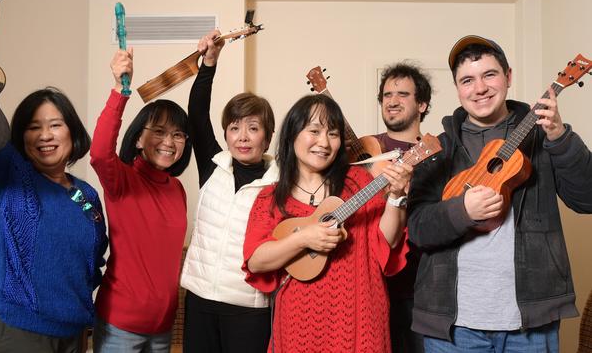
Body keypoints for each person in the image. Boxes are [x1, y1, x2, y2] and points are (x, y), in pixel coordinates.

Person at [0, 0, 108, 352]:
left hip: (74, 333)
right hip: (17, 333)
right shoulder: (6, 171)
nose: (46, 135)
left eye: (55, 124)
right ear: (19, 135)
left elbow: (94, 258)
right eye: (34, 127)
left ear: (72, 131)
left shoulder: (86, 194)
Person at [407, 35, 592, 351]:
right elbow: (418, 229)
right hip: (452, 327)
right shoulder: (438, 148)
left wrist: (560, 138)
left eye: (489, 75)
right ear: (458, 89)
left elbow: (586, 199)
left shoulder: (543, 136)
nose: (479, 88)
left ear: (508, 77)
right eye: (467, 80)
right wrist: (462, 211)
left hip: (531, 323)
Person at [243, 94, 412, 352]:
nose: (324, 142)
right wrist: (303, 238)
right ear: (292, 135)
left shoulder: (359, 182)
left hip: (361, 320)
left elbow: (386, 241)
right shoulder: (270, 198)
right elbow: (256, 260)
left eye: (333, 134)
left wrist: (398, 196)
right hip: (297, 326)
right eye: (314, 131)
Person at [179, 30, 277, 353]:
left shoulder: (281, 181)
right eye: (234, 128)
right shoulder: (213, 166)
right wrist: (209, 63)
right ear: (225, 133)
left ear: (267, 135)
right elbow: (196, 115)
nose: (242, 137)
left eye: (253, 127)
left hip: (249, 308)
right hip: (200, 300)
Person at [90, 46, 192, 353]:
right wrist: (121, 91)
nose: (169, 142)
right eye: (159, 132)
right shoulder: (122, 180)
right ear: (138, 139)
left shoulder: (177, 189)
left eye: (178, 135)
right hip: (120, 325)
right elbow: (98, 153)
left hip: (162, 328)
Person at [375, 62, 432, 353]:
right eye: (386, 95)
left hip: (420, 289)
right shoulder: (367, 150)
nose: (392, 101)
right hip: (372, 284)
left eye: (402, 94)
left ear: (422, 104)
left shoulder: (437, 153)